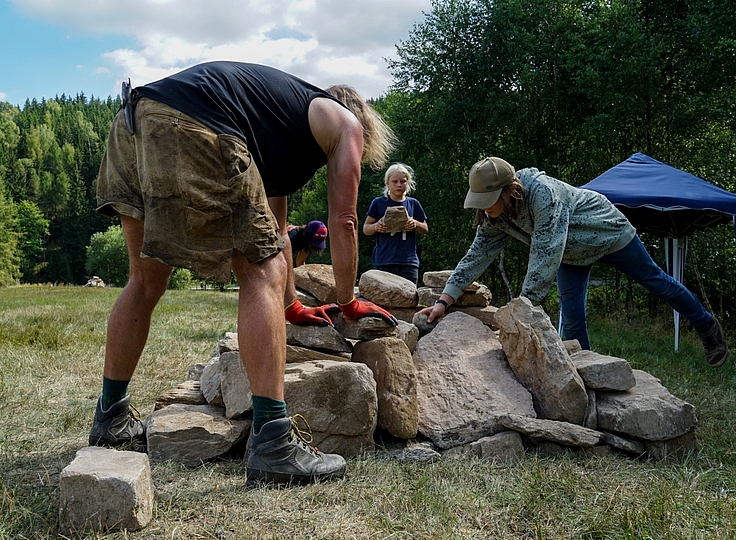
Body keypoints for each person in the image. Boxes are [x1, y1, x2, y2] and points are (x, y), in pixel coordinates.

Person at [89, 61, 399, 486]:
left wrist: (290, 303)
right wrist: (347, 300)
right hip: (194, 124)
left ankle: (111, 417)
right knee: (260, 273)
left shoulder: (277, 122)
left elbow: (274, 229)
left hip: (135, 122)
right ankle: (273, 443)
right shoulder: (344, 122)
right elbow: (344, 220)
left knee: (146, 280)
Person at [419, 156, 729, 367]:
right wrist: (444, 301)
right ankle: (586, 373)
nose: (485, 211)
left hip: (607, 233)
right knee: (573, 312)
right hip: (570, 253)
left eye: (488, 203)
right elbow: (476, 256)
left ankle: (706, 326)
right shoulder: (494, 217)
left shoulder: (543, 194)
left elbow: (544, 252)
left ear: (510, 191)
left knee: (657, 282)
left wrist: (525, 309)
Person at [363, 163, 428, 285]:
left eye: (403, 181)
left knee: (409, 298)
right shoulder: (378, 203)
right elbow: (366, 229)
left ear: (408, 182)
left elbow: (425, 228)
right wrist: (376, 226)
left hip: (408, 261)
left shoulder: (413, 203)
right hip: (384, 260)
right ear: (387, 183)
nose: (399, 185)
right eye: (395, 181)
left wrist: (415, 224)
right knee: (383, 300)